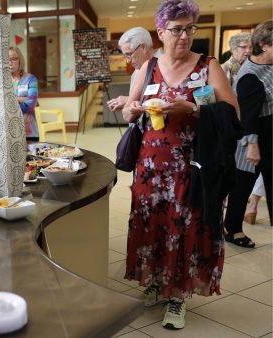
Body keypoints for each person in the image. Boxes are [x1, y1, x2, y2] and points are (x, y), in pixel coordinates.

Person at [122, 0, 239, 330]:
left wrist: (192, 108)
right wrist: (129, 108)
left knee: (183, 228)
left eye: (190, 28)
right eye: (176, 29)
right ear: (161, 33)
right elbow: (132, 106)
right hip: (149, 164)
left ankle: (178, 296)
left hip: (190, 165)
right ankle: (156, 282)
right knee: (153, 223)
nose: (184, 36)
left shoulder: (208, 66)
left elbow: (233, 114)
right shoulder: (148, 68)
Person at [224, 20, 273, 246]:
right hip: (252, 140)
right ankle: (233, 230)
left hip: (268, 136)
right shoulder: (251, 75)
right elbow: (248, 116)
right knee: (242, 188)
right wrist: (252, 146)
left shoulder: (269, 65)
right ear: (263, 45)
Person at [107, 27, 161, 113]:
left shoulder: (165, 63)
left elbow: (168, 98)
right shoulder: (138, 70)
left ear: (143, 47)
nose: (128, 61)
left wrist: (128, 101)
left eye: (129, 54)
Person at [9, 46, 39, 140]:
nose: (10, 63)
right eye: (7, 60)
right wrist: (20, 99)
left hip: (29, 132)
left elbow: (30, 105)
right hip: (9, 133)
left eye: (14, 59)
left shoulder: (30, 79)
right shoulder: (2, 82)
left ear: (20, 60)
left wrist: (10, 101)